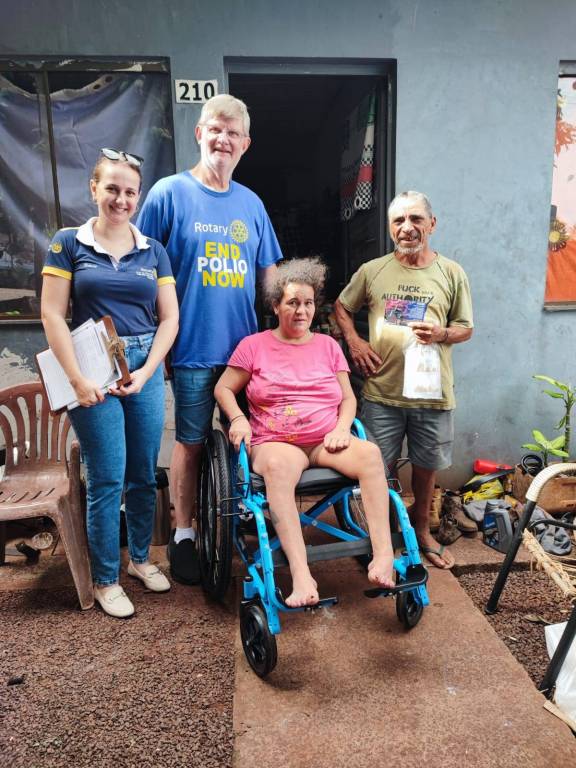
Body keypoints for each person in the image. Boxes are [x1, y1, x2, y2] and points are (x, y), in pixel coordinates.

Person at [137, 94, 283, 585]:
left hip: (245, 353)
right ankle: (184, 533)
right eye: (215, 129)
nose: (223, 139)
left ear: (245, 143)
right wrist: (154, 343)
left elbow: (270, 279)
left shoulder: (252, 204)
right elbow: (143, 270)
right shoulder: (168, 194)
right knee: (191, 442)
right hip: (192, 348)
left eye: (232, 132)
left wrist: (284, 336)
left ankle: (240, 513)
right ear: (199, 133)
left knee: (251, 438)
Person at [41, 148, 179, 618]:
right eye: (112, 189)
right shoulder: (68, 243)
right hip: (91, 365)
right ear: (94, 189)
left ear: (139, 197)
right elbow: (52, 314)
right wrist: (77, 380)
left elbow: (169, 318)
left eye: (130, 192)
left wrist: (148, 370)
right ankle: (106, 579)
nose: (121, 199)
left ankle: (139, 559)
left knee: (143, 474)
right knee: (106, 478)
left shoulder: (153, 250)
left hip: (142, 366)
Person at [214, 258, 395, 607]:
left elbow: (348, 398)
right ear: (276, 305)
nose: (302, 311)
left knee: (371, 455)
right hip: (276, 442)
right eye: (293, 302)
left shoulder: (328, 346)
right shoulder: (254, 345)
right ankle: (301, 575)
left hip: (326, 440)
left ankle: (383, 555)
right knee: (278, 468)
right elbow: (223, 388)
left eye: (308, 303)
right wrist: (237, 418)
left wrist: (342, 428)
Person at [335, 191, 473, 570]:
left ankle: (422, 530)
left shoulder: (452, 273)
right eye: (398, 220)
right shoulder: (373, 270)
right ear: (389, 227)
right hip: (382, 392)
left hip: (432, 394)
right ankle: (387, 534)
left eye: (416, 219)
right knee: (379, 468)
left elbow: (466, 328)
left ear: (432, 224)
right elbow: (342, 307)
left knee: (427, 467)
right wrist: (355, 342)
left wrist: (442, 333)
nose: (407, 228)